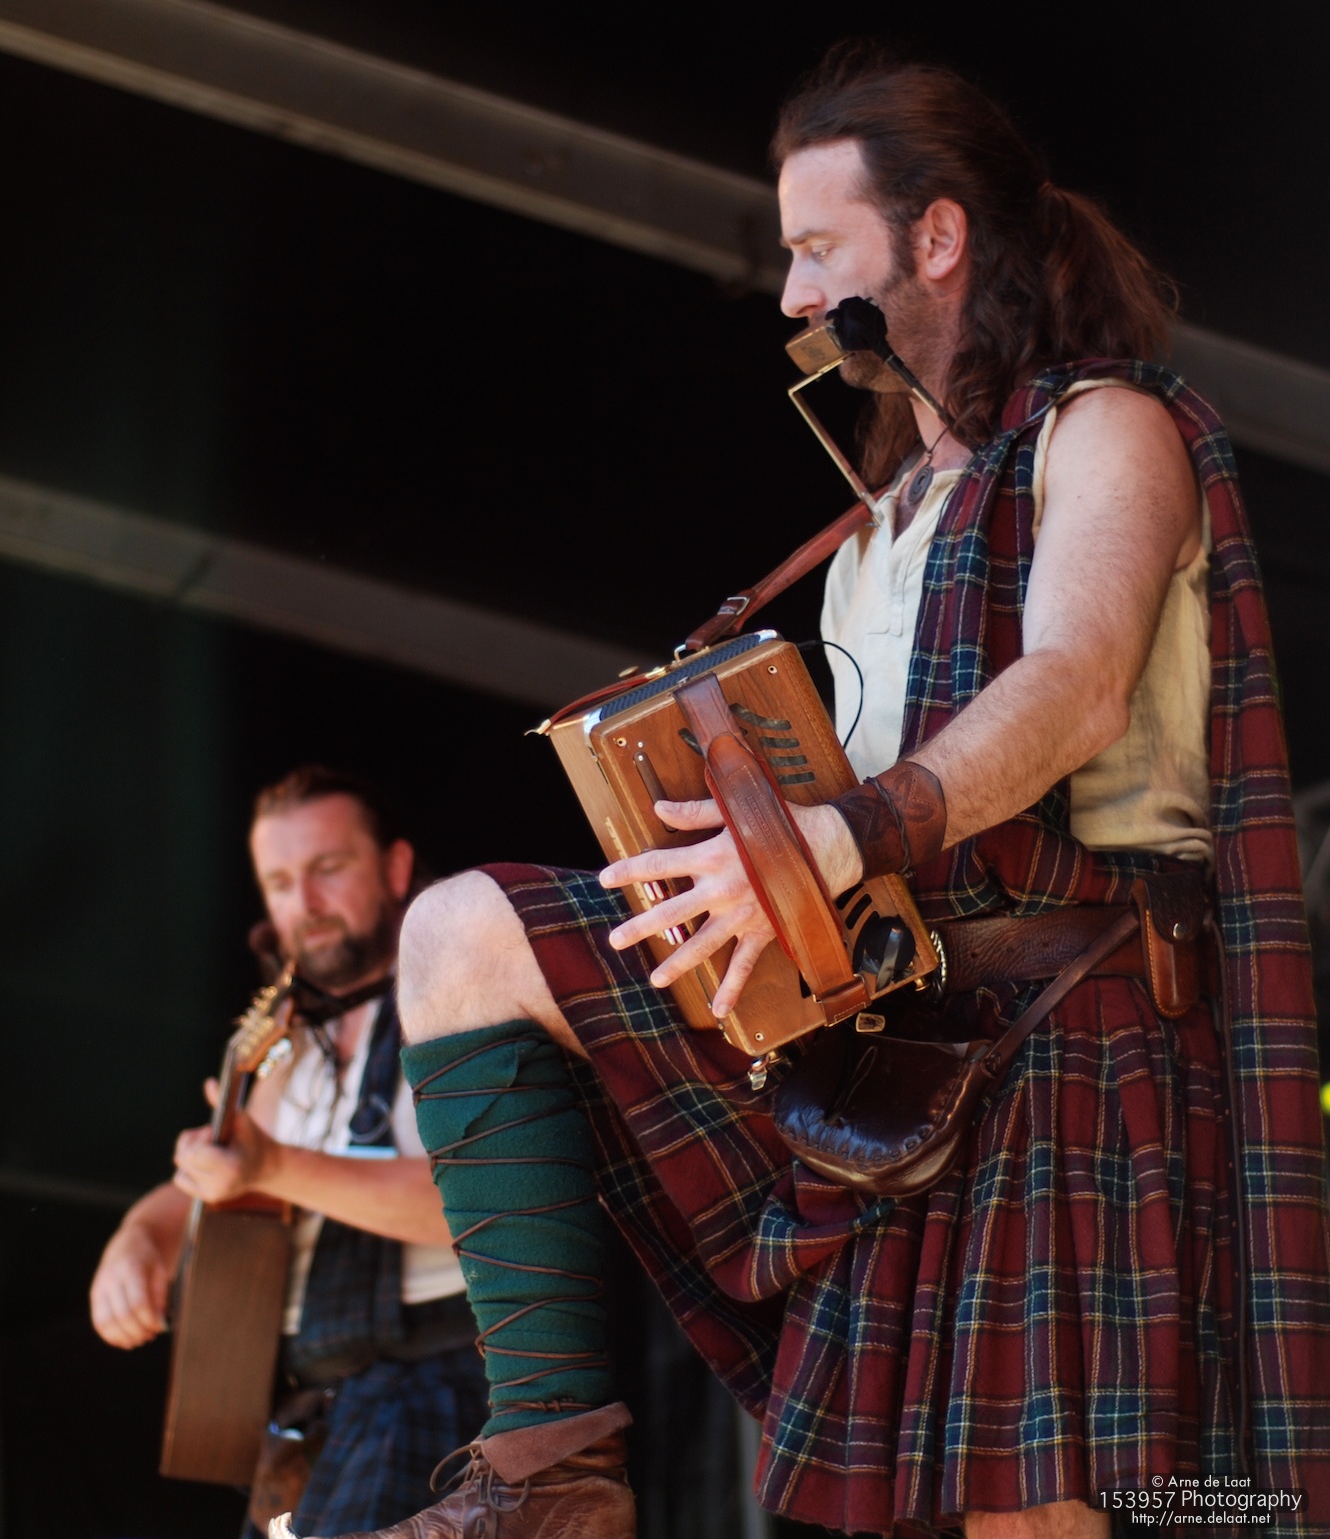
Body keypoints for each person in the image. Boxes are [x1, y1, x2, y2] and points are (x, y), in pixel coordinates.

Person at [282, 50, 1330, 1539]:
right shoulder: (871, 531)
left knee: (1041, 1516)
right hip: (892, 1017)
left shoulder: (1106, 426)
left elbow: (1073, 683)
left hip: (1074, 1027)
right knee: (463, 934)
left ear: (937, 237)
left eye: (817, 247)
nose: (789, 293)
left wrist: (833, 835)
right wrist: (742, 867)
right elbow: (846, 825)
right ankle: (551, 1470)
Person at [89, 767, 489, 1535]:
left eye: (327, 867)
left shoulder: (465, 995)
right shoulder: (282, 1040)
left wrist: (274, 1165)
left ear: (396, 867)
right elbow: (214, 1180)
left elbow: (492, 1202)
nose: (303, 902)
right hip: (314, 1409)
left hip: (441, 1375)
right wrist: (138, 1239)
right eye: (278, 882)